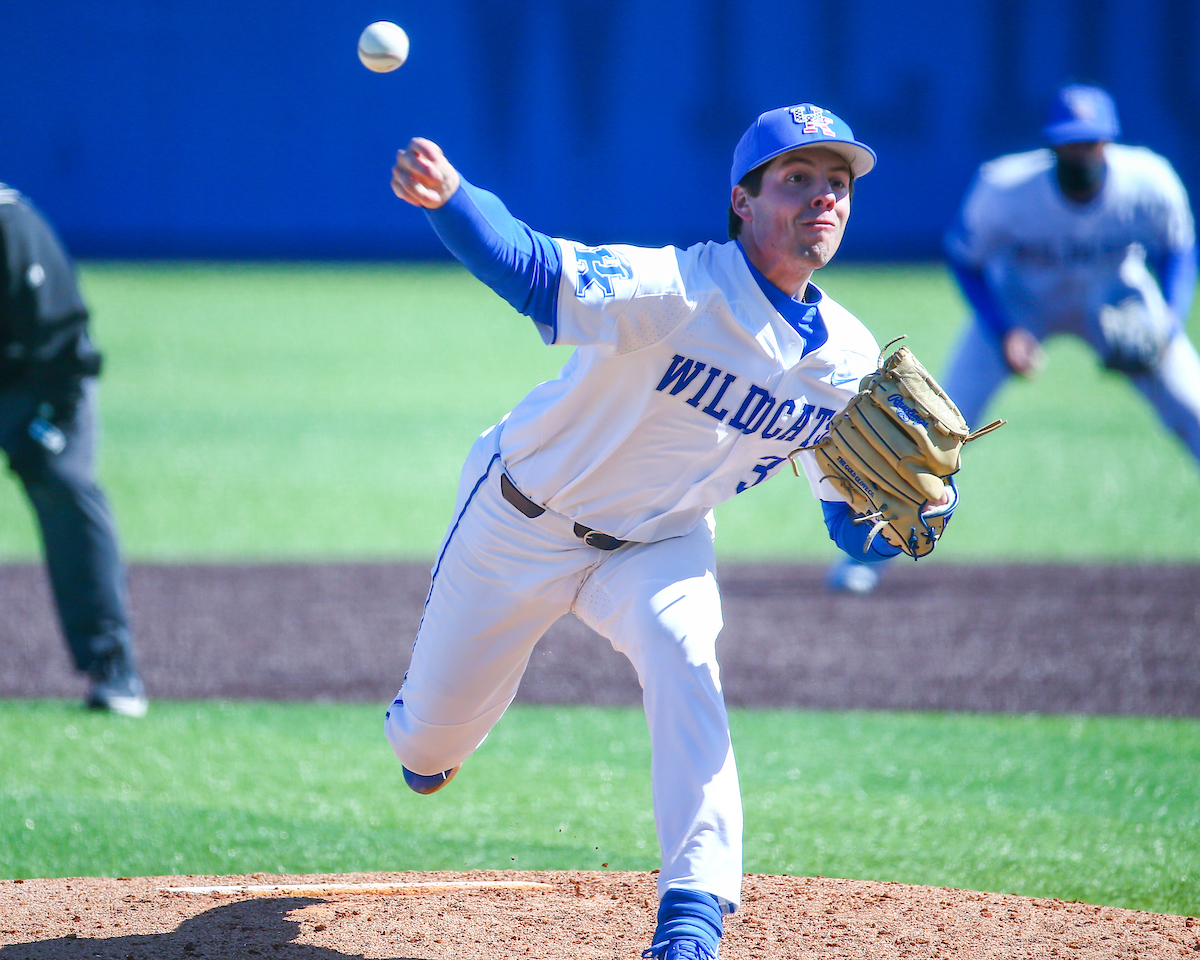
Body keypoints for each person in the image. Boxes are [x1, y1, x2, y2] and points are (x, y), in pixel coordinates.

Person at [383, 102, 944, 960]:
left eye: (838, 184)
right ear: (743, 202)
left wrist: (920, 519)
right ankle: (433, 739)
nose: (822, 198)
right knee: (427, 754)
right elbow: (532, 268)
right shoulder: (677, 289)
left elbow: (849, 523)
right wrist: (452, 196)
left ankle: (690, 920)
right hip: (521, 519)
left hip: (662, 545)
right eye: (797, 179)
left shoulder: (848, 361)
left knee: (689, 667)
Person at [827, 82, 1200, 595]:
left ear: (1108, 143)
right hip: (1019, 303)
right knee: (932, 428)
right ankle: (869, 555)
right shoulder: (1005, 188)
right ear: (1051, 146)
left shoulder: (1149, 180)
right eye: (1069, 142)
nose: (1079, 151)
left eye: (1089, 141)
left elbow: (1179, 247)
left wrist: (1169, 324)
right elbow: (965, 256)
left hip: (1116, 299)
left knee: (1193, 407)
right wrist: (1004, 330)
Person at [0, 183, 146, 717]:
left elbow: (66, 343)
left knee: (63, 481)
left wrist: (53, 426)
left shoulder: (10, 229)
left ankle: (114, 666)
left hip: (44, 380)